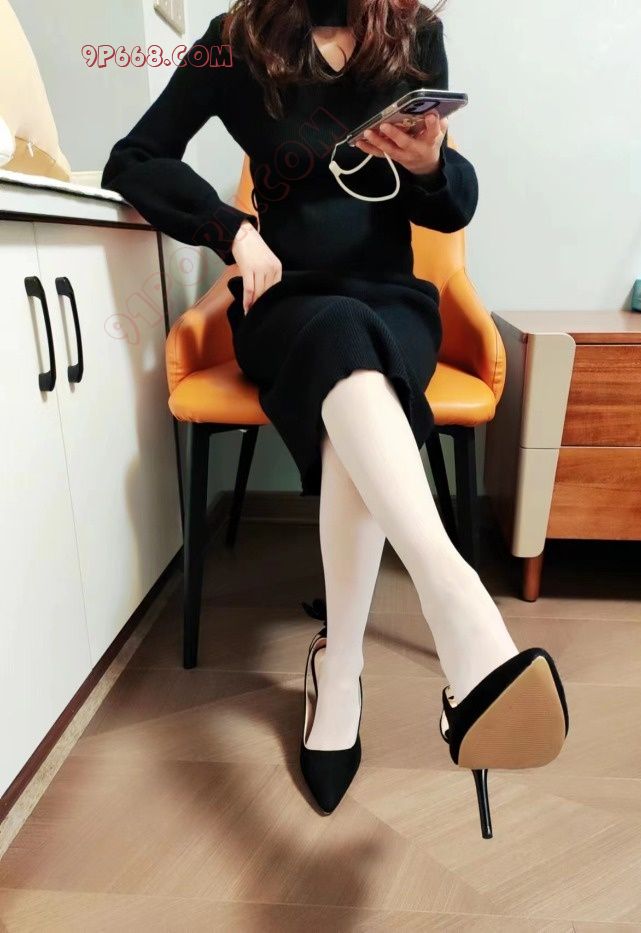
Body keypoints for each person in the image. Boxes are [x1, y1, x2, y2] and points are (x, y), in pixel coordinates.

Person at [102, 0, 568, 835]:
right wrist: (234, 231)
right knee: (341, 344)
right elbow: (134, 157)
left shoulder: (414, 34)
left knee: (358, 358)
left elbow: (450, 210)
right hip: (286, 303)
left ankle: (341, 667)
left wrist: (431, 163)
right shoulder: (235, 40)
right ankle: (459, 609)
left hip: (395, 306)